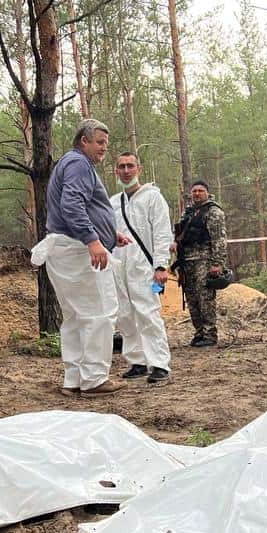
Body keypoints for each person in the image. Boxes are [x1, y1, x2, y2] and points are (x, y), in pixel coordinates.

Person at [41, 118, 129, 397]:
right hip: (79, 251)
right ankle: (94, 379)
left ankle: (74, 378)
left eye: (106, 143)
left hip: (66, 248)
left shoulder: (70, 163)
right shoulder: (79, 164)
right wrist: (93, 240)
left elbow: (77, 206)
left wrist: (109, 233)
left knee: (76, 317)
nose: (104, 148)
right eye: (99, 142)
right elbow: (72, 204)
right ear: (84, 141)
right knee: (99, 313)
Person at [109, 151, 172, 384]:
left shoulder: (153, 198)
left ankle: (159, 364)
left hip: (145, 267)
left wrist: (161, 266)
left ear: (139, 169)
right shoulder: (113, 202)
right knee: (125, 315)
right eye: (121, 167)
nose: (126, 171)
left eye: (130, 166)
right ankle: (137, 361)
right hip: (119, 267)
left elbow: (162, 233)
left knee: (148, 314)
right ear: (116, 171)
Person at [173, 180, 228, 347]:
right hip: (187, 261)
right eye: (194, 191)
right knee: (192, 298)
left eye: (200, 191)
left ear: (207, 193)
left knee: (205, 297)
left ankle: (210, 334)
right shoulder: (188, 212)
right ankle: (199, 332)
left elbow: (219, 239)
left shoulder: (213, 212)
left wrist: (217, 263)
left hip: (205, 260)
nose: (197, 194)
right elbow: (180, 235)